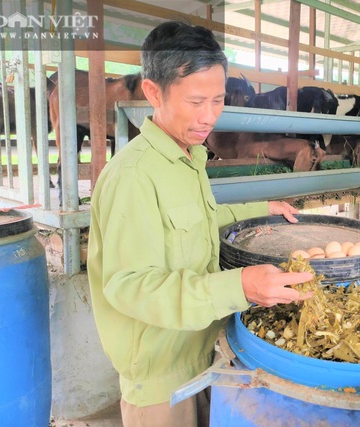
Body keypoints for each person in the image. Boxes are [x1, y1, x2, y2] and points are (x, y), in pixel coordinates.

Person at [87, 21, 313, 427]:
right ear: (154, 92)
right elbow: (129, 286)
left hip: (202, 349)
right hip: (160, 378)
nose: (209, 117)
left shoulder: (187, 156)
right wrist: (239, 286)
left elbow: (201, 221)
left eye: (218, 100)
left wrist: (263, 208)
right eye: (195, 102)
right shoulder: (134, 175)